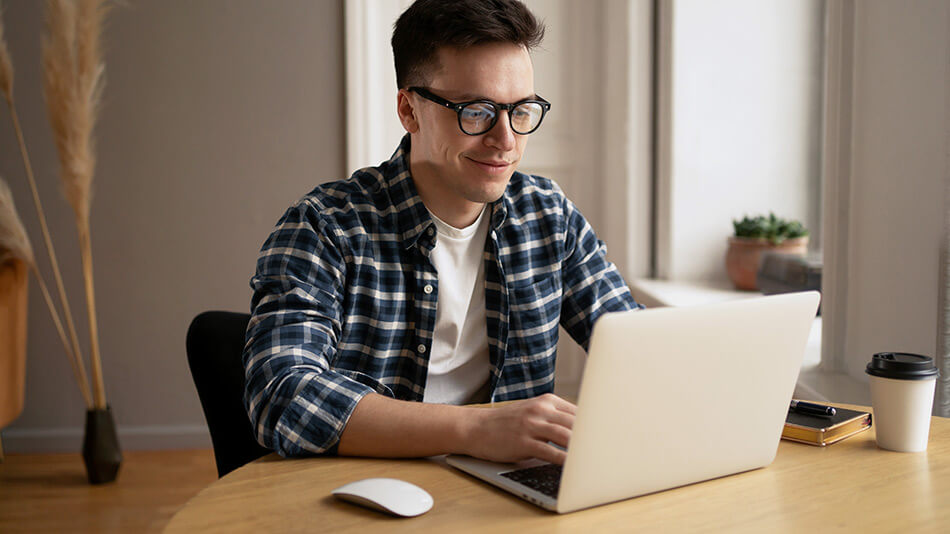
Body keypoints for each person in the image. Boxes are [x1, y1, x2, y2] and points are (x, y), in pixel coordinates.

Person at [243, 0, 643, 467]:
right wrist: (478, 428)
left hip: (507, 497)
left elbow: (636, 350)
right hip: (367, 496)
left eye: (522, 110)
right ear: (409, 111)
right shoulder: (326, 227)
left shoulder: (547, 216)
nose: (506, 140)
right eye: (476, 112)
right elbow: (281, 395)